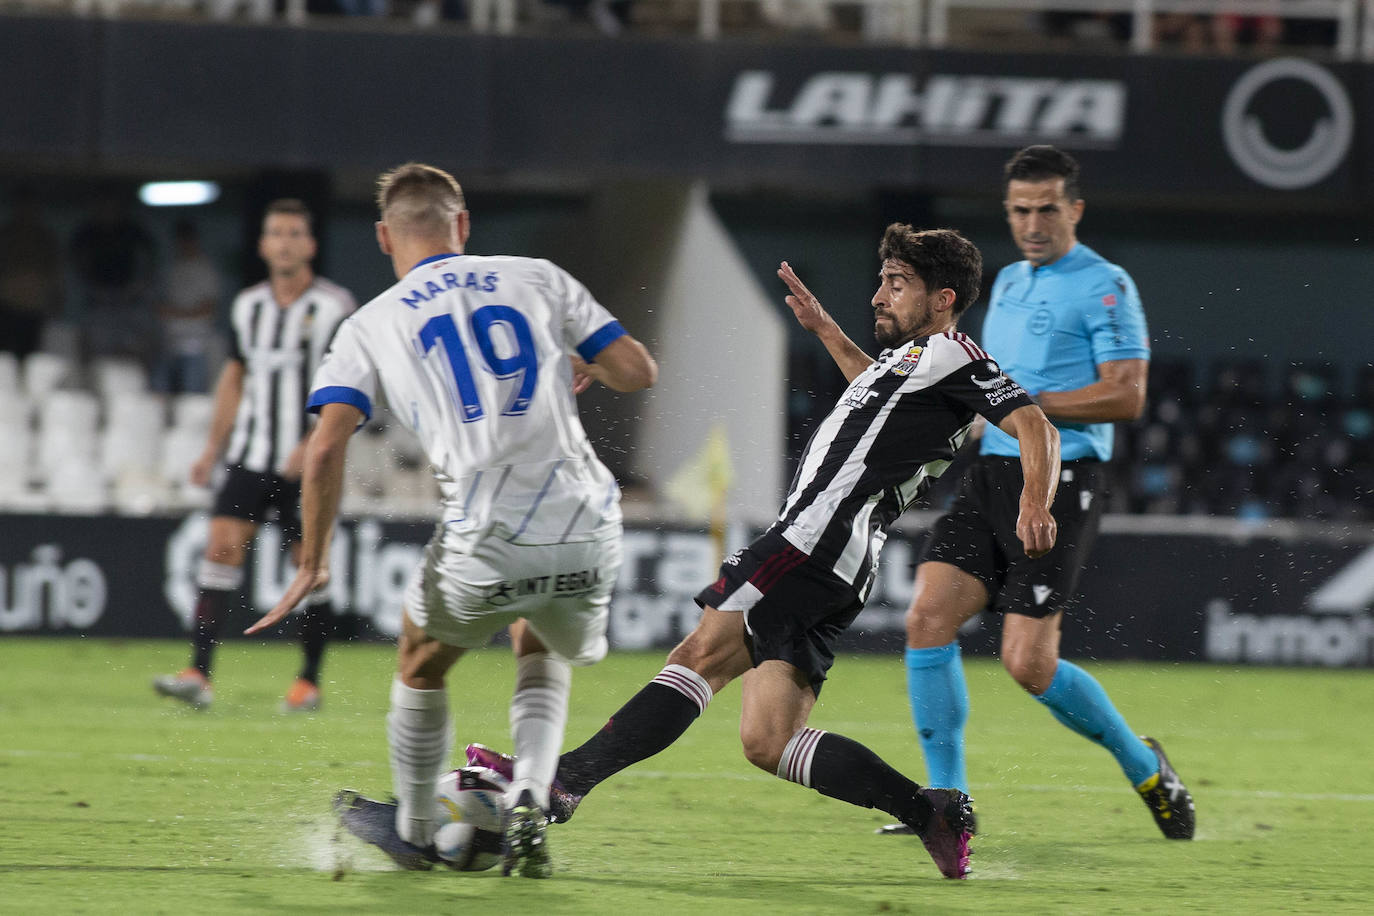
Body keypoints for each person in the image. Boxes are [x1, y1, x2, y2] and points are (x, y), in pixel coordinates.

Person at [470, 225, 1061, 880]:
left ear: (944, 298)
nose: (879, 295)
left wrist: (1034, 502)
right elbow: (879, 395)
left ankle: (561, 781)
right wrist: (826, 330)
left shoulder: (955, 354)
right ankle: (929, 812)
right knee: (769, 739)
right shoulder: (914, 365)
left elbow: (1035, 425)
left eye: (898, 284)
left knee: (698, 657)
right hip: (843, 561)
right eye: (882, 280)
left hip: (812, 541)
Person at [243, 162, 657, 878]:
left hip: (488, 528)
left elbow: (325, 448)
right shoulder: (537, 277)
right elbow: (637, 371)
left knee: (419, 657)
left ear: (384, 237)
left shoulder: (370, 323)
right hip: (589, 519)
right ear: (462, 225)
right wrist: (580, 364)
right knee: (540, 641)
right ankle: (530, 794)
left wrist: (312, 560)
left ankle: (412, 828)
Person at [874, 146, 1195, 840]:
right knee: (927, 618)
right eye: (1019, 210)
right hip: (992, 473)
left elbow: (1127, 394)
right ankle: (947, 805)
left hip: (1063, 477)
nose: (1032, 223)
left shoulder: (1106, 284)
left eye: (1047, 208)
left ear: (1074, 209)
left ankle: (1146, 767)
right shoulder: (1010, 283)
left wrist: (1029, 406)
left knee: (1027, 662)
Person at [153, 199, 356, 712]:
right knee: (220, 548)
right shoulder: (248, 307)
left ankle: (308, 682)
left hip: (310, 461)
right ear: (263, 245)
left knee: (309, 565)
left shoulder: (335, 307)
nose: (285, 242)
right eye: (276, 233)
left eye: (294, 233)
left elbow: (350, 383)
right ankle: (198, 674)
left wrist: (314, 440)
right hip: (250, 453)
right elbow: (235, 377)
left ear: (310, 245)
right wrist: (211, 448)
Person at [151, 219, 224, 395]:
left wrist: (175, 312)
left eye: (186, 240)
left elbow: (208, 308)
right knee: (160, 396)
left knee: (192, 398)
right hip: (169, 342)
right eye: (179, 241)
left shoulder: (205, 269)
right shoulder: (172, 268)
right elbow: (159, 304)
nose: (183, 245)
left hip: (195, 344)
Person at [0, 185, 64, 358]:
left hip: (34, 306)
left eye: (31, 206)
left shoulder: (45, 238)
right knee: (4, 356)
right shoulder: (6, 235)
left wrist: (57, 299)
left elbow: (55, 271)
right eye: (22, 206)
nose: (26, 211)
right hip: (7, 304)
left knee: (31, 356)